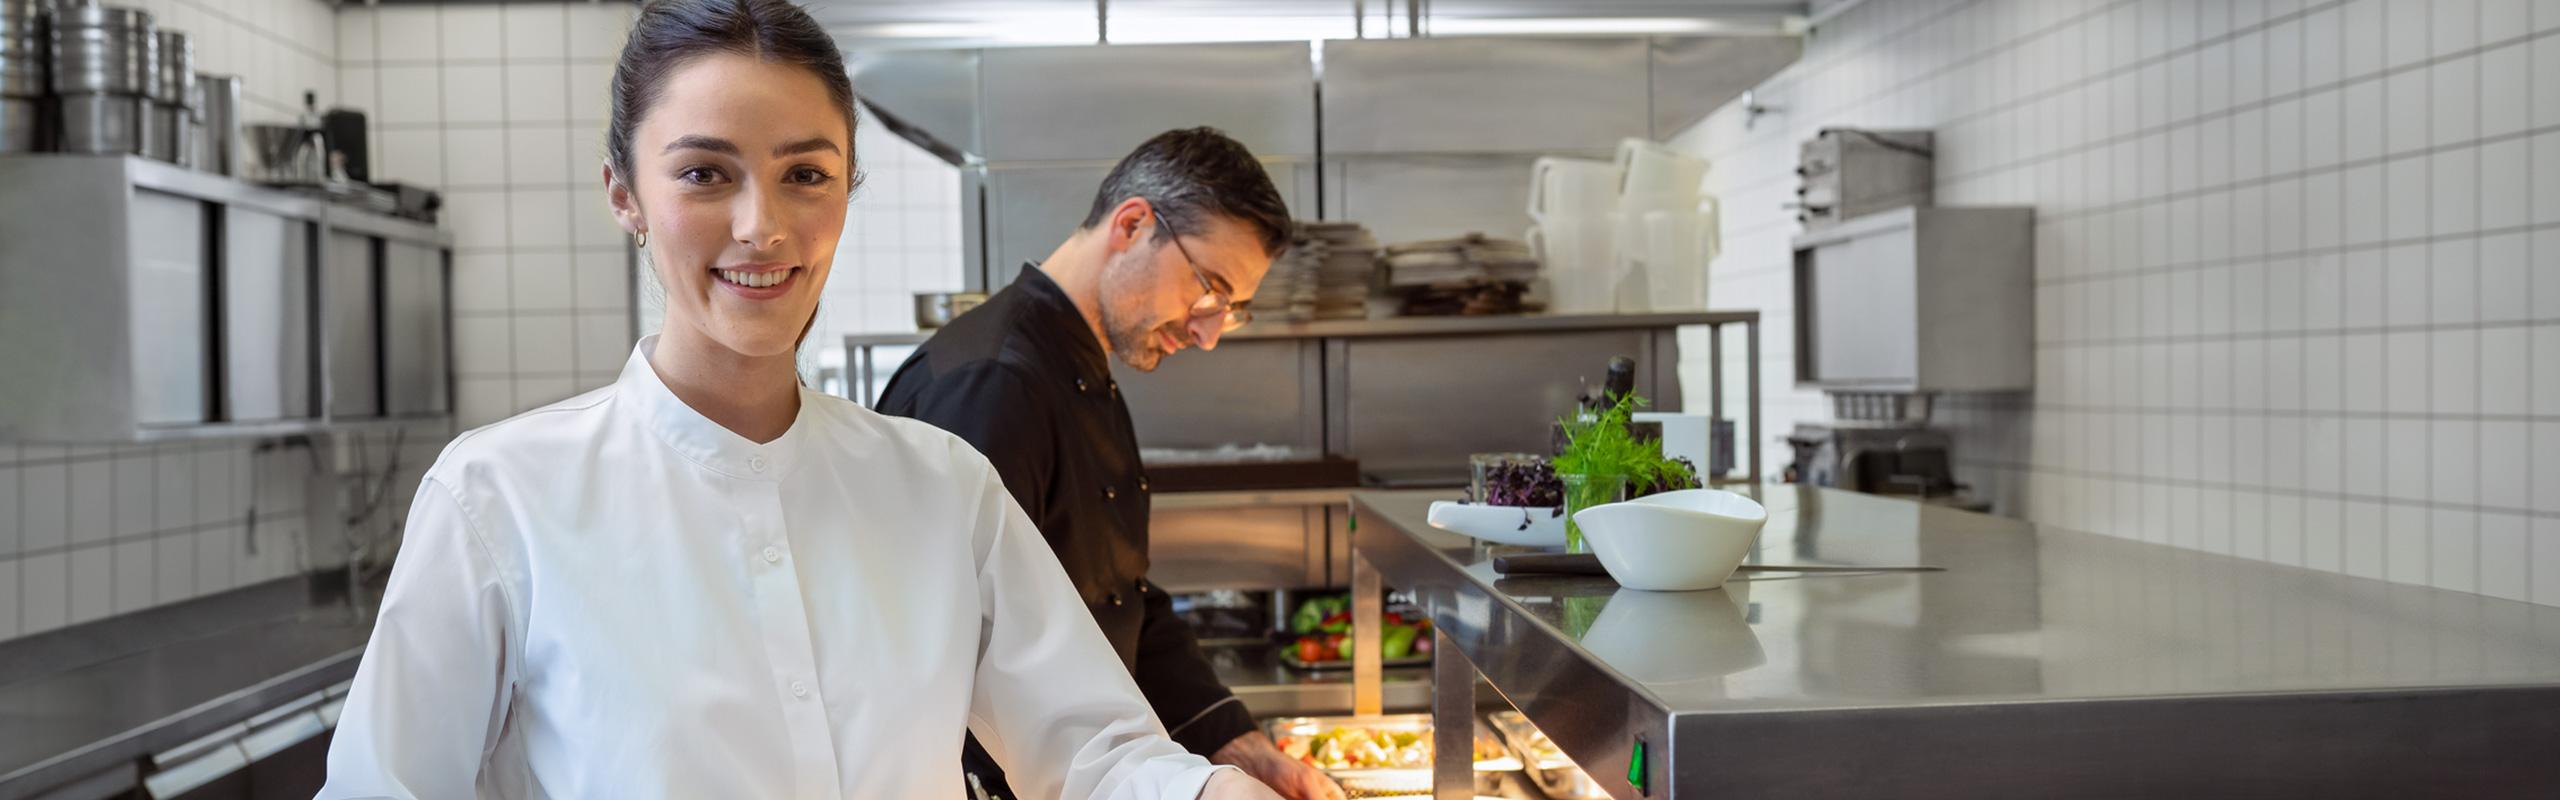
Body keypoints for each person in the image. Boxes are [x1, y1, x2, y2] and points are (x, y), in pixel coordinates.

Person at [315, 2, 1281, 798]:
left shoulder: (943, 487)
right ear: (624, 194)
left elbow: (1092, 750)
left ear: (846, 191)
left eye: (805, 175)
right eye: (703, 173)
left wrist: (1203, 790)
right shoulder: (500, 500)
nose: (760, 226)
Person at [876, 130, 1342, 800]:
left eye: (1231, 310)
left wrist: (1236, 744)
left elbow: (1122, 598)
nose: (1207, 332)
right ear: (1132, 225)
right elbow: (951, 663)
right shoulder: (992, 385)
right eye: (1210, 287)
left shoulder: (1081, 368)